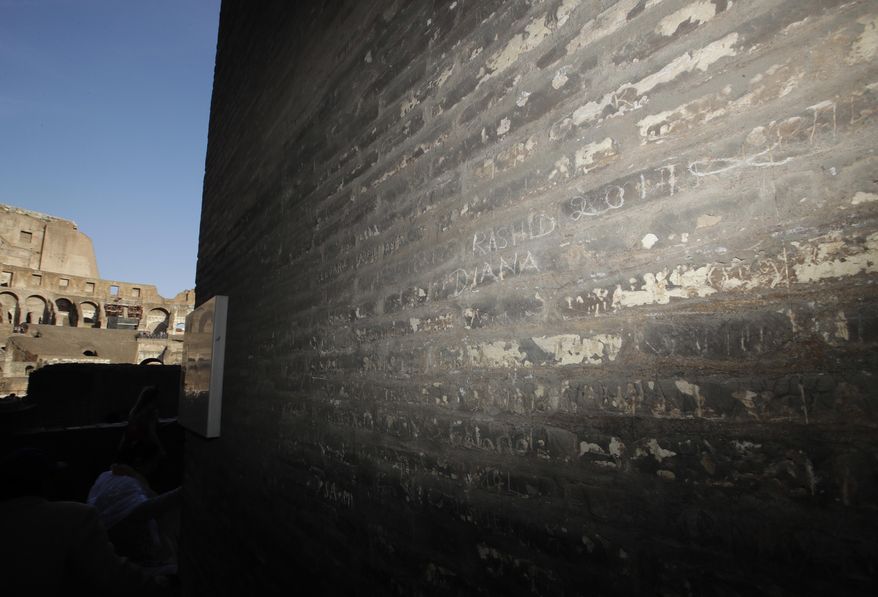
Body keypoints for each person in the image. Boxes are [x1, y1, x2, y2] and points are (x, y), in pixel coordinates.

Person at [0, 447, 169, 596]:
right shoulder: (74, 517)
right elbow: (113, 577)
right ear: (45, 483)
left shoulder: (105, 480)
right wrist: (161, 584)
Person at [88, 440, 181, 572]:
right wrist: (179, 494)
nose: (154, 468)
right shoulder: (126, 482)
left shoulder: (108, 475)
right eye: (153, 463)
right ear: (139, 462)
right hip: (122, 553)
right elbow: (141, 511)